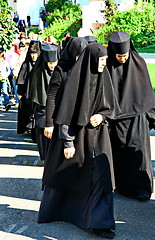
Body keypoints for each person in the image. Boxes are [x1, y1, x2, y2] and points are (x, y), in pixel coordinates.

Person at [38, 42, 121, 239]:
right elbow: (66, 113)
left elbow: (111, 107)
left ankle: (101, 223)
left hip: (99, 138)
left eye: (105, 60)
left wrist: (101, 116)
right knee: (71, 177)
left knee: (102, 178)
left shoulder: (104, 77)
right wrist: (68, 142)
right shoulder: (74, 80)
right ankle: (65, 213)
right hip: (78, 138)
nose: (104, 64)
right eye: (101, 60)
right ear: (91, 60)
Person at [107, 31, 155, 201]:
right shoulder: (108, 66)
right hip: (115, 119)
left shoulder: (139, 63)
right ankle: (121, 186)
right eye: (119, 55)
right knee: (118, 153)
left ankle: (141, 188)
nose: (122, 59)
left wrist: (153, 116)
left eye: (125, 55)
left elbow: (146, 91)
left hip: (137, 119)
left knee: (138, 153)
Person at [44, 37, 88, 139]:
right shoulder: (61, 70)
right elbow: (51, 96)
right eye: (78, 56)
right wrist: (49, 123)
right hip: (63, 119)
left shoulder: (87, 69)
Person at [30, 44, 60, 161]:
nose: (52, 65)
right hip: (42, 111)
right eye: (50, 63)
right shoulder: (39, 73)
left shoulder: (59, 71)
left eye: (54, 62)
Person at [16, 41, 41, 134]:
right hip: (27, 92)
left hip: (38, 92)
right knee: (27, 110)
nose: (33, 56)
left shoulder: (41, 65)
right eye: (32, 54)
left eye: (35, 54)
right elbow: (21, 80)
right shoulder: (26, 64)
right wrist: (20, 92)